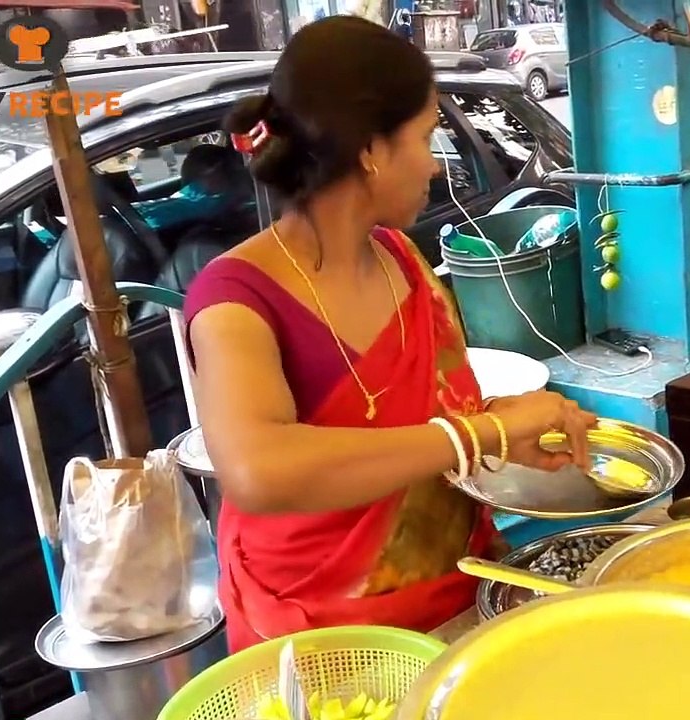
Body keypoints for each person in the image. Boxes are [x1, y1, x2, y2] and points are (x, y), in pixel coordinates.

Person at [183, 15, 596, 653]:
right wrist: (477, 433)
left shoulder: (401, 258)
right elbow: (258, 470)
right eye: (427, 136)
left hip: (458, 595)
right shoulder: (236, 299)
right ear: (371, 149)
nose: (435, 166)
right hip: (322, 639)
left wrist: (503, 428)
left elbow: (431, 421)